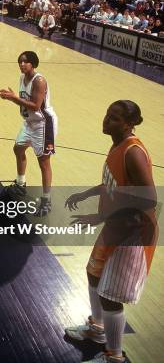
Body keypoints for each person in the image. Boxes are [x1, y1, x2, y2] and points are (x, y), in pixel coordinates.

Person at [64, 100, 157, 363]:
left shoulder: (133, 152)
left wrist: (99, 216)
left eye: (115, 118)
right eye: (107, 115)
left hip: (133, 233)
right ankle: (97, 330)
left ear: (129, 124)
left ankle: (114, 356)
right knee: (93, 274)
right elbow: (113, 183)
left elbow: (149, 199)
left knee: (110, 295)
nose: (107, 120)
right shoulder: (117, 144)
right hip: (115, 225)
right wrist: (88, 193)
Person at [0, 51, 57, 215]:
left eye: (25, 62)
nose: (22, 64)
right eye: (20, 62)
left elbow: (35, 106)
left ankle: (46, 200)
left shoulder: (39, 80)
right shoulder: (22, 78)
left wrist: (13, 98)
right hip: (29, 123)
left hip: (43, 124)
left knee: (44, 162)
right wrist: (14, 97)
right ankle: (20, 184)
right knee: (18, 148)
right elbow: (25, 102)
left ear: (33, 63)